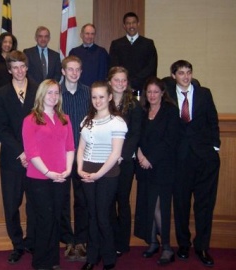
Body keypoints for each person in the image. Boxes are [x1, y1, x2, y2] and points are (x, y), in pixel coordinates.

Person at [167, 60, 220, 267]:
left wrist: (215, 148)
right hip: (179, 161)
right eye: (181, 73)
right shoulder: (168, 96)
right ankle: (183, 244)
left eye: (189, 72)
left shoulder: (204, 93)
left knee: (204, 205)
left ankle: (202, 246)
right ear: (174, 76)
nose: (186, 77)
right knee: (181, 204)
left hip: (205, 160)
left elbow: (213, 121)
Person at [22, 79, 75, 270]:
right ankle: (41, 262)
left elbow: (70, 147)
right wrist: (48, 172)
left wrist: (68, 170)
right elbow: (31, 152)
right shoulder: (30, 119)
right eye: (49, 92)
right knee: (44, 218)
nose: (53, 96)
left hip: (61, 176)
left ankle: (53, 260)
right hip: (39, 177)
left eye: (56, 93)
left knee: (55, 219)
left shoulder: (65, 118)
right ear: (41, 94)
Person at [0, 50, 38, 264]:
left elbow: (43, 123)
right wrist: (21, 152)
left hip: (37, 159)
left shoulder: (39, 89)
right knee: (12, 204)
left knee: (34, 204)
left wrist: (31, 152)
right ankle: (17, 244)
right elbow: (1, 128)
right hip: (12, 159)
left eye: (22, 66)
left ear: (27, 67)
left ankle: (31, 241)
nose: (19, 71)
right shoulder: (1, 93)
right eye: (15, 67)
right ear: (9, 69)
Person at [77, 81, 127, 270]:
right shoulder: (87, 120)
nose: (97, 101)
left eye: (101, 97)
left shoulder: (117, 122)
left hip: (107, 174)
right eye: (94, 97)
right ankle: (92, 257)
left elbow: (115, 154)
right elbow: (81, 147)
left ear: (110, 97)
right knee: (92, 215)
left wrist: (97, 174)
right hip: (87, 171)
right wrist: (80, 169)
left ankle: (108, 258)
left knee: (103, 216)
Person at [134, 77, 179, 265]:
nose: (152, 95)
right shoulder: (142, 112)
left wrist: (150, 159)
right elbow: (136, 136)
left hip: (163, 167)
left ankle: (167, 247)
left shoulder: (170, 111)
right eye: (149, 92)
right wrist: (141, 156)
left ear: (162, 93)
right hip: (144, 166)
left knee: (160, 207)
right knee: (148, 205)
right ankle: (153, 243)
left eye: (155, 91)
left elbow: (170, 140)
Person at [107, 67, 142, 257]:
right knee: (109, 202)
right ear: (110, 82)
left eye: (123, 80)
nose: (120, 84)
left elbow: (135, 134)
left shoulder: (134, 105)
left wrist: (120, 154)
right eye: (116, 80)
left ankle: (122, 242)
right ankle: (110, 239)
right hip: (106, 161)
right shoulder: (104, 102)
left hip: (125, 161)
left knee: (123, 201)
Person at [60, 55, 90, 261]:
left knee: (83, 200)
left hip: (84, 154)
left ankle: (80, 240)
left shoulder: (89, 93)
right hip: (60, 156)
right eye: (70, 69)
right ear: (63, 71)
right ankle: (67, 240)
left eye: (77, 69)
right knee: (62, 200)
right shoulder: (54, 93)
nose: (74, 73)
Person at [109, 12, 157, 95]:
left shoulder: (148, 44)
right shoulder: (116, 44)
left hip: (143, 87)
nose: (131, 26)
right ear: (124, 26)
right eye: (128, 23)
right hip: (122, 87)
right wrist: (126, 81)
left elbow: (151, 67)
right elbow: (114, 67)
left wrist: (135, 80)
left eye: (133, 23)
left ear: (138, 24)